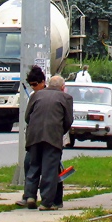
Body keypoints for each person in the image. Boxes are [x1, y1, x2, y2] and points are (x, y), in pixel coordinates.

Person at [21, 74, 73, 211]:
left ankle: (30, 196)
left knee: (33, 166)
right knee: (49, 170)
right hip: (52, 137)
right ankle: (46, 202)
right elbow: (68, 120)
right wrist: (60, 131)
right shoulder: (66, 98)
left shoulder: (36, 95)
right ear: (63, 87)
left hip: (34, 136)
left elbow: (27, 116)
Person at [16, 66, 46, 209]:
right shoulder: (34, 96)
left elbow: (28, 117)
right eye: (31, 85)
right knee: (30, 165)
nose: (33, 88)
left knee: (42, 167)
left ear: (43, 82)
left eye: (35, 85)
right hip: (35, 138)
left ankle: (42, 197)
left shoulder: (40, 96)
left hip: (45, 138)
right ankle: (29, 196)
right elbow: (27, 117)